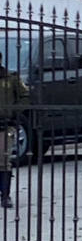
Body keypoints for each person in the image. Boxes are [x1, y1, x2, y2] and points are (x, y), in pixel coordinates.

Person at [0, 52, 30, 209]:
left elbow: (25, 96)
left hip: (4, 124)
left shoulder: (10, 78)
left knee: (3, 161)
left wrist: (14, 112)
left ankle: (5, 196)